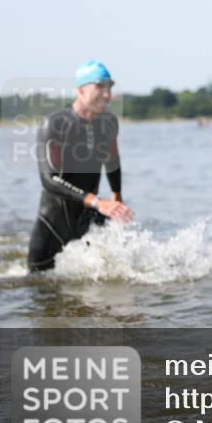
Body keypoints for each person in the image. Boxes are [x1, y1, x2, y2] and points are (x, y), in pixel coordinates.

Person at [27, 61, 134, 272]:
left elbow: (112, 160)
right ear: (80, 90)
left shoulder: (109, 122)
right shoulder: (55, 123)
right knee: (37, 286)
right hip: (54, 220)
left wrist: (116, 199)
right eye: (99, 87)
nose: (106, 94)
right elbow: (50, 179)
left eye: (109, 87)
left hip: (89, 216)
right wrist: (97, 201)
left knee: (112, 275)